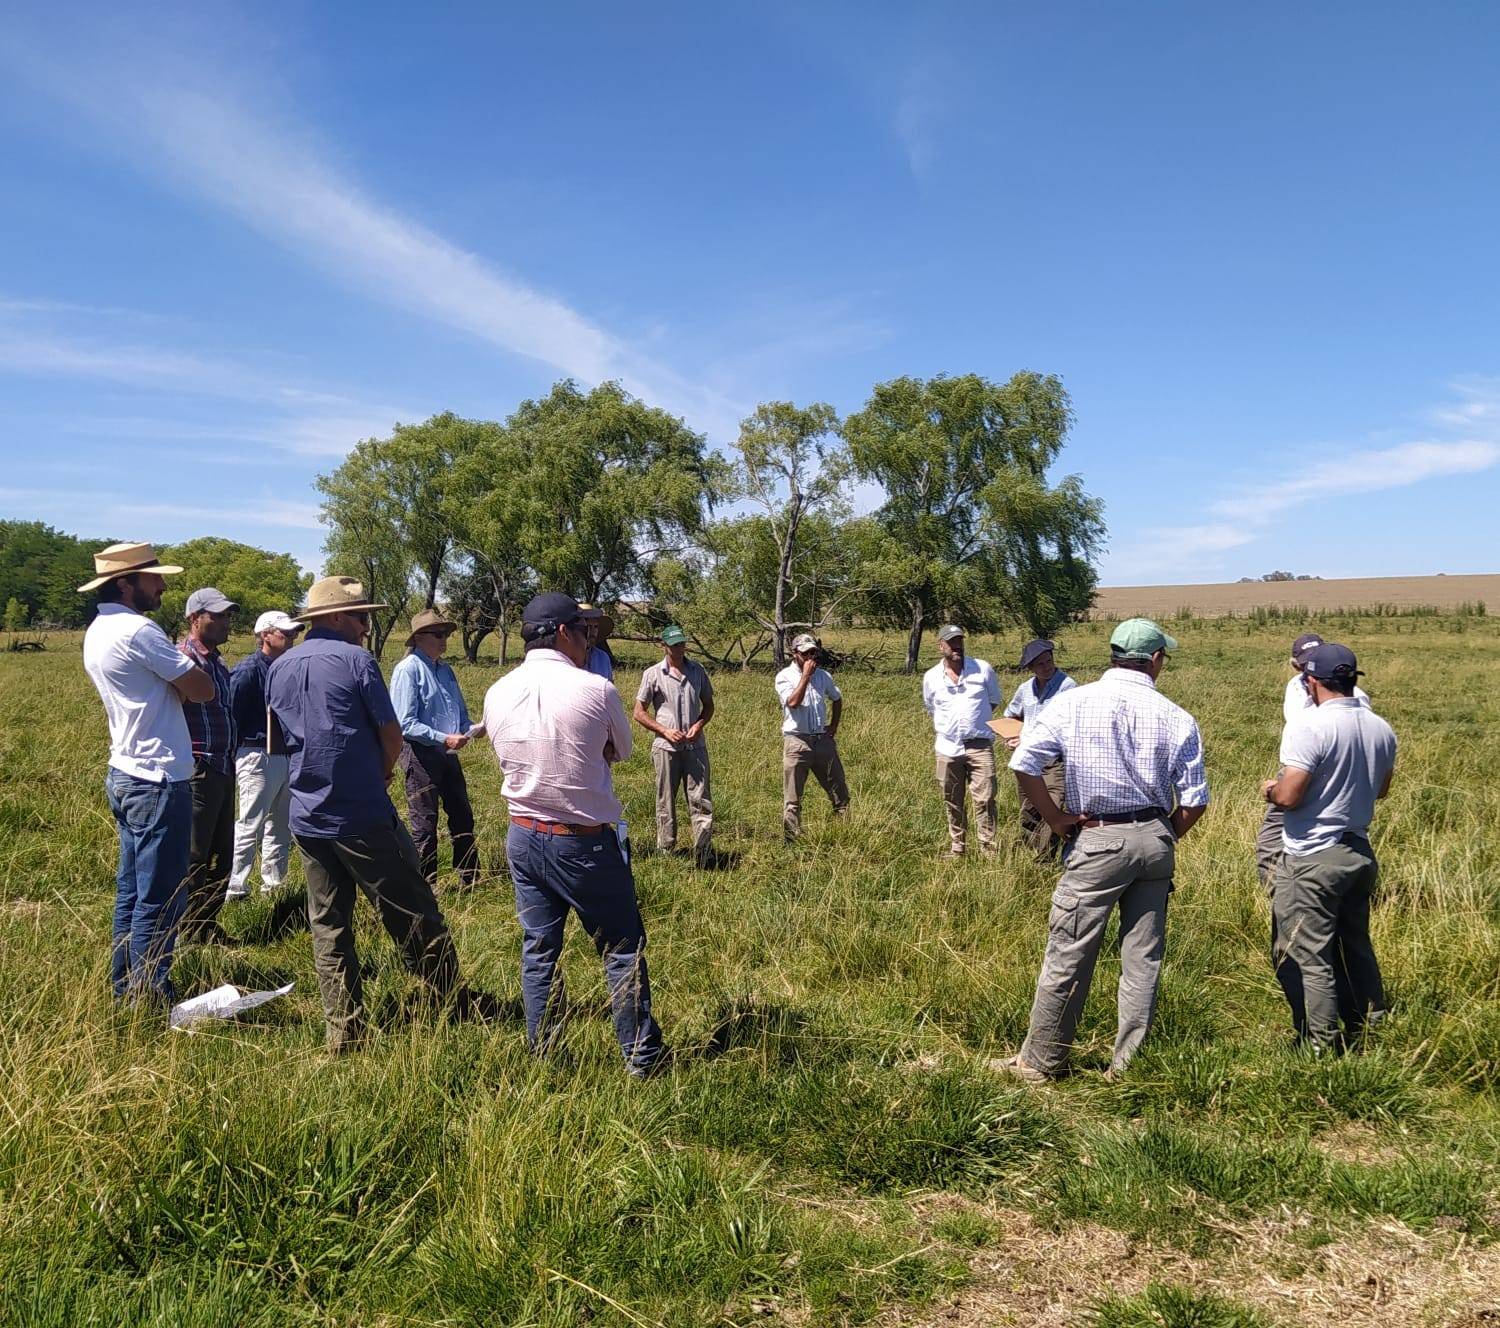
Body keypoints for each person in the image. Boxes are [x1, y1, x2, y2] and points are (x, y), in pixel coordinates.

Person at [266, 576, 485, 1053]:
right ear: (336, 617)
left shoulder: (279, 667)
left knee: (328, 926)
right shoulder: (356, 661)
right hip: (362, 812)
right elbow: (392, 736)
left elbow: (277, 743)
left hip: (307, 816)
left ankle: (344, 1029)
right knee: (413, 910)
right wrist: (383, 774)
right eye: (362, 615)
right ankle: (452, 1001)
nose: (368, 626)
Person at [1001, 618, 1209, 1081]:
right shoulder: (1177, 716)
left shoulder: (1073, 701)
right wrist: (1164, 835)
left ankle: (1043, 1061)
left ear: (1112, 655)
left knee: (1070, 950)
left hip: (1095, 837)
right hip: (1155, 837)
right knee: (1143, 959)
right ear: (1155, 661)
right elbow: (1194, 801)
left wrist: (1055, 819)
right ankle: (1127, 1066)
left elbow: (1023, 762)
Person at [481, 592, 665, 1076]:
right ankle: (641, 1058)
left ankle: (545, 1057)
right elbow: (620, 750)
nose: (590, 640)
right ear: (564, 632)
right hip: (582, 840)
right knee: (622, 946)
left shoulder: (497, 691)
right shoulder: (595, 689)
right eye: (586, 632)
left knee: (538, 951)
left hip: (522, 834)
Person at [79, 541, 215, 1006]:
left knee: (132, 893)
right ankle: (151, 999)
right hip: (158, 777)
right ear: (126, 583)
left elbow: (177, 691)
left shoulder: (98, 629)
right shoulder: (140, 631)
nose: (161, 586)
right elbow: (201, 688)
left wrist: (174, 687)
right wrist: (183, 685)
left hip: (125, 771)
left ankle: (124, 991)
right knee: (160, 898)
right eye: (154, 578)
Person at [1262, 643, 1396, 1052]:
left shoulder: (1310, 727)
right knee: (1356, 943)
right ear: (1353, 679)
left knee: (1309, 954)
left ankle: (1320, 1044)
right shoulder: (1380, 727)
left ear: (1311, 682)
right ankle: (1371, 1025)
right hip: (1358, 849)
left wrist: (1269, 789)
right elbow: (1383, 789)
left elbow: (1289, 796)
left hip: (1313, 854)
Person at [1254, 632, 1371, 887]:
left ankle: (1295, 897)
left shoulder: (1354, 697)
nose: (1310, 669)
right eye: (1305, 662)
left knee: (1278, 841)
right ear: (1296, 665)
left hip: (1318, 770)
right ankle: (1291, 894)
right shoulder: (1296, 688)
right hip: (1300, 766)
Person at [389, 608, 481, 889]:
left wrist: (472, 728)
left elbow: (459, 711)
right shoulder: (408, 669)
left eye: (447, 634)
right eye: (438, 634)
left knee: (462, 814)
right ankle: (425, 886)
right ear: (419, 638)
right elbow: (404, 723)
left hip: (447, 752)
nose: (445, 640)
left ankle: (470, 878)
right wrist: (444, 737)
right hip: (420, 753)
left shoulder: (445, 668)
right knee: (424, 823)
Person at [176, 587, 240, 942]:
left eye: (227, 615)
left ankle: (207, 925)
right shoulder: (184, 660)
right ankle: (187, 930)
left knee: (221, 854)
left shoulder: (216, 663)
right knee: (195, 854)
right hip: (199, 767)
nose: (225, 621)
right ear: (194, 618)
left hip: (222, 765)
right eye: (216, 615)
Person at [226, 610, 303, 901]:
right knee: (250, 824)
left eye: (294, 633)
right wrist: (238, 754)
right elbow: (231, 714)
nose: (292, 638)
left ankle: (273, 886)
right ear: (265, 635)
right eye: (285, 633)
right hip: (257, 754)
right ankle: (236, 888)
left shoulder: (287, 668)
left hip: (284, 754)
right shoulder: (248, 670)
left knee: (280, 826)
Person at [633, 624, 716, 866]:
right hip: (665, 748)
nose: (679, 648)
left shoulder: (697, 671)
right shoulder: (653, 674)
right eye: (674, 644)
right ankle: (666, 851)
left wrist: (698, 725)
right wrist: (664, 730)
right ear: (664, 645)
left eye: (682, 643)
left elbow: (708, 706)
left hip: (695, 747)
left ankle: (704, 852)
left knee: (700, 798)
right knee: (665, 799)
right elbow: (639, 712)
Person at [921, 625, 1003, 857]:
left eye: (959, 641)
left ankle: (988, 848)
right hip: (947, 747)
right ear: (940, 646)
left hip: (979, 744)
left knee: (985, 799)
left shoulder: (982, 669)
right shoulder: (930, 677)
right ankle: (958, 847)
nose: (956, 646)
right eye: (951, 642)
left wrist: (974, 722)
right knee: (952, 799)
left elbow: (993, 701)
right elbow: (931, 708)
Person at [1001, 639, 1077, 859]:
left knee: (1052, 807)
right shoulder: (1025, 689)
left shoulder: (1067, 686)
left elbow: (1066, 725)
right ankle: (1029, 853)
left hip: (1054, 759)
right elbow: (1011, 714)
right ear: (1031, 668)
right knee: (1029, 808)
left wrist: (1025, 738)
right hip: (1027, 759)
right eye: (1041, 664)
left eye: (1049, 661)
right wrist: (1012, 735)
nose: (1047, 666)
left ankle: (1044, 859)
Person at [775, 633, 849, 840]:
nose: (811, 657)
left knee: (839, 792)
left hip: (822, 740)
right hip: (797, 741)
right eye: (806, 653)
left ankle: (844, 834)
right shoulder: (784, 676)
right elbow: (793, 702)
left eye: (814, 652)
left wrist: (833, 726)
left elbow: (836, 698)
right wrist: (806, 676)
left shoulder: (824, 676)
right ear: (794, 653)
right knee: (793, 797)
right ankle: (792, 839)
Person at [578, 603, 616, 682]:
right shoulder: (566, 658)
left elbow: (609, 684)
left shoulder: (603, 657)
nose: (592, 631)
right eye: (588, 626)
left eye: (595, 626)